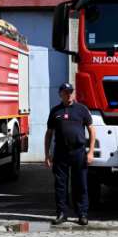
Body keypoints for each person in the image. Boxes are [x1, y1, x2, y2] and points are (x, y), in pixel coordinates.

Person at [44, 83, 95, 226]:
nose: (70, 94)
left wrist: (90, 152)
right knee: (60, 184)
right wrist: (47, 154)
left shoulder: (82, 110)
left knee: (80, 183)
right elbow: (49, 134)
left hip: (78, 151)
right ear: (60, 94)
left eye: (71, 91)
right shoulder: (55, 111)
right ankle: (62, 213)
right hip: (61, 152)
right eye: (66, 92)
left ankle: (82, 214)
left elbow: (92, 131)